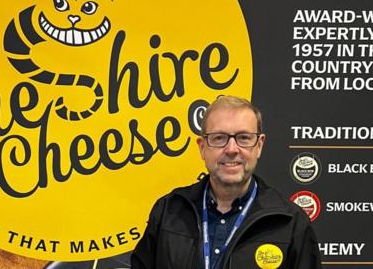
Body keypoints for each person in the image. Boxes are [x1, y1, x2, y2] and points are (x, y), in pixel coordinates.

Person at [131, 95, 322, 269]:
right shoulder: (168, 212)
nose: (232, 149)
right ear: (202, 147)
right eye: (219, 138)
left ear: (259, 146)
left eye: (244, 138)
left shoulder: (290, 223)